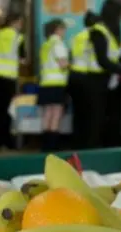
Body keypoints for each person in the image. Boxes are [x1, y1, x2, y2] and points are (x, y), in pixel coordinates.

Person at [83, 0, 121, 149]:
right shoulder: (99, 31)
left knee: (110, 120)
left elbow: (116, 54)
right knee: (96, 121)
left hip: (109, 81)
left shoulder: (112, 30)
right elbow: (102, 60)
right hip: (95, 81)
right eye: (120, 14)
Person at [0, 11, 26, 150]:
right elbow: (23, 59)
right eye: (20, 22)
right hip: (9, 78)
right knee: (7, 111)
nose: (21, 26)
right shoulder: (18, 37)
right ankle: (6, 142)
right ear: (15, 22)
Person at [69, 11, 99, 149]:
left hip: (74, 75)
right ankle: (88, 145)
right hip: (87, 77)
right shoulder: (94, 36)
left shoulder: (77, 36)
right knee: (90, 113)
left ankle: (77, 143)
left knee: (78, 112)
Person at [38, 19, 69, 152]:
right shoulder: (58, 43)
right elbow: (63, 64)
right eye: (63, 29)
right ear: (58, 29)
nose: (64, 32)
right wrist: (71, 65)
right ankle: (53, 145)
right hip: (57, 82)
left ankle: (45, 144)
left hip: (45, 82)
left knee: (47, 114)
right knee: (56, 114)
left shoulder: (46, 44)